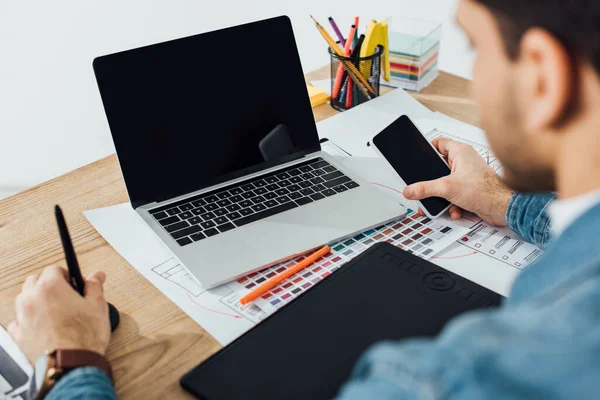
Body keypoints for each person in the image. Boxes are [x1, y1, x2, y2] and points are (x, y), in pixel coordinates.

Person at [7, 0, 600, 398]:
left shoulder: (451, 378)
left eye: (476, 46)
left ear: (544, 78)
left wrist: (69, 363)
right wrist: (501, 200)